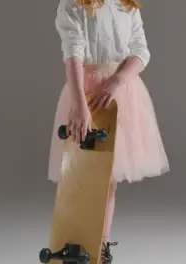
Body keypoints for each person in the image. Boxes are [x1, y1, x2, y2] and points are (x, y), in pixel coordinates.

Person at [47, 0, 170, 263]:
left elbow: (141, 51)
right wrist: (80, 104)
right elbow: (73, 51)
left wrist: (117, 81)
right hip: (86, 93)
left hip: (120, 94)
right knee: (80, 177)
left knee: (107, 180)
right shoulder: (74, 3)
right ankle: (74, 241)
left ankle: (99, 248)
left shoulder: (127, 4)